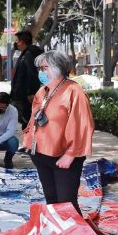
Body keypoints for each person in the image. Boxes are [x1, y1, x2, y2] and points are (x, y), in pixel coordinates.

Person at [23, 51, 94, 214]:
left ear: (58, 68)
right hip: (41, 154)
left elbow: (82, 124)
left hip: (64, 156)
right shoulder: (43, 91)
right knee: (52, 200)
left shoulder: (74, 91)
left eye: (44, 67)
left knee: (67, 203)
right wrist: (28, 141)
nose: (41, 72)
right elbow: (34, 120)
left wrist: (71, 154)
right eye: (40, 68)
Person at [10, 31, 44, 128]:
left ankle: (30, 142)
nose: (16, 43)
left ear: (23, 42)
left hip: (25, 96)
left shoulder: (28, 55)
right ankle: (28, 141)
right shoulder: (25, 54)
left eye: (17, 41)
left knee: (27, 121)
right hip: (22, 94)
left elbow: (32, 74)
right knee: (26, 121)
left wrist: (31, 92)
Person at [0, 92, 19, 169]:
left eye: (2, 108)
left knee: (14, 142)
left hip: (4, 139)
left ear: (8, 105)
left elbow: (11, 132)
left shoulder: (13, 111)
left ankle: (8, 159)